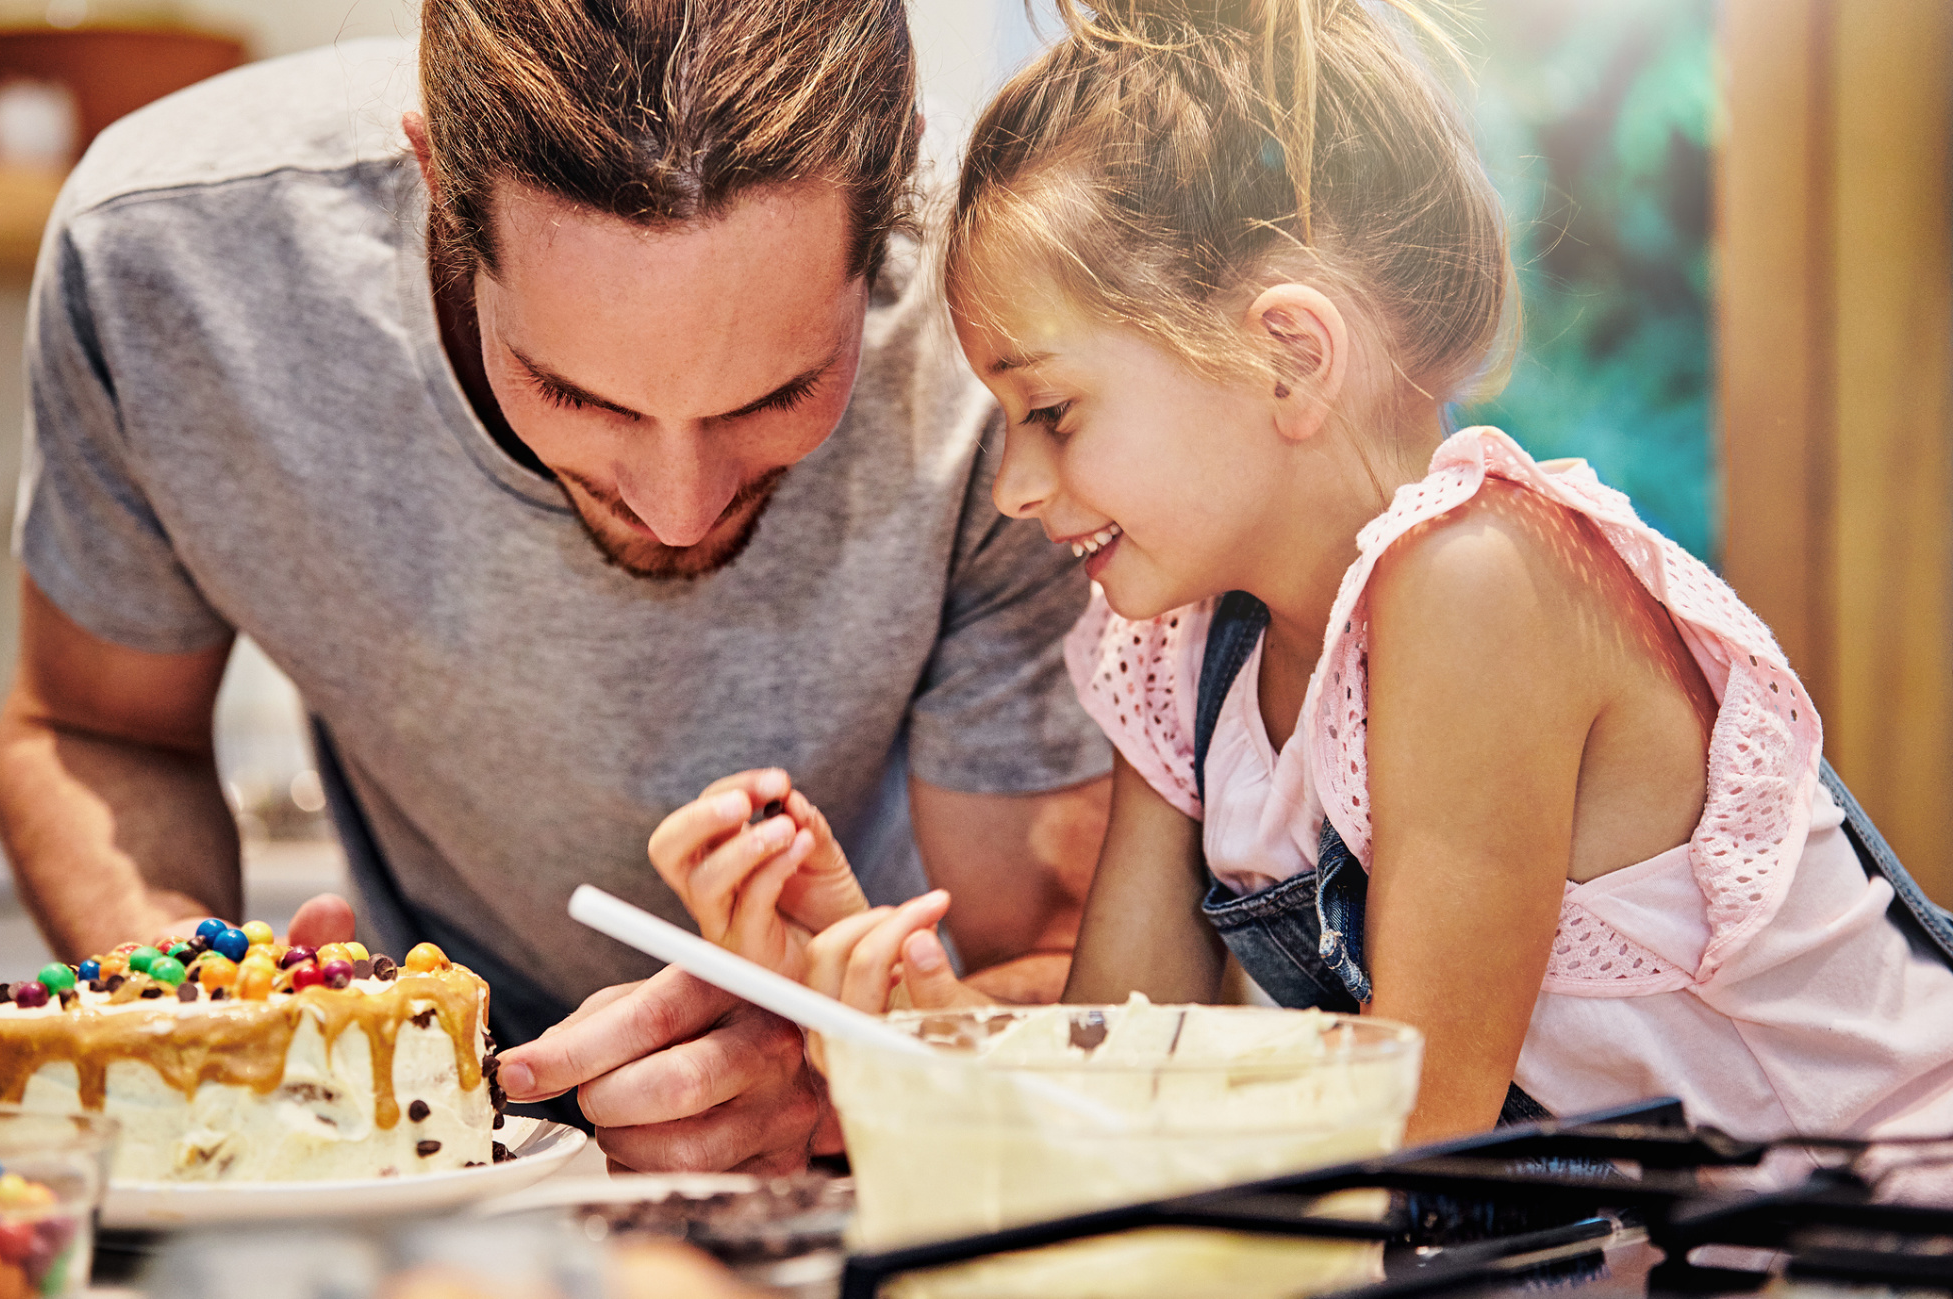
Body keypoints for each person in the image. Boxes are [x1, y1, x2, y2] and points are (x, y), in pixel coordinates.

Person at [662, 0, 1953, 1149]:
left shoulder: (1479, 579)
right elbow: (1126, 1060)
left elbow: (1419, 1105)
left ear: (1287, 355)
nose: (1012, 483)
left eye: (1049, 410)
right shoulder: (1184, 657)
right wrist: (923, 1027)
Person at [0, 0, 1113, 1174]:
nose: (677, 508)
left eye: (776, 395)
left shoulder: (999, 326)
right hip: (421, 1187)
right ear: (436, 182)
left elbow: (1060, 966)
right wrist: (218, 1029)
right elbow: (92, 728)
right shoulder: (167, 257)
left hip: (875, 1172)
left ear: (888, 207)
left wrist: (857, 1071)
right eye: (577, 395)